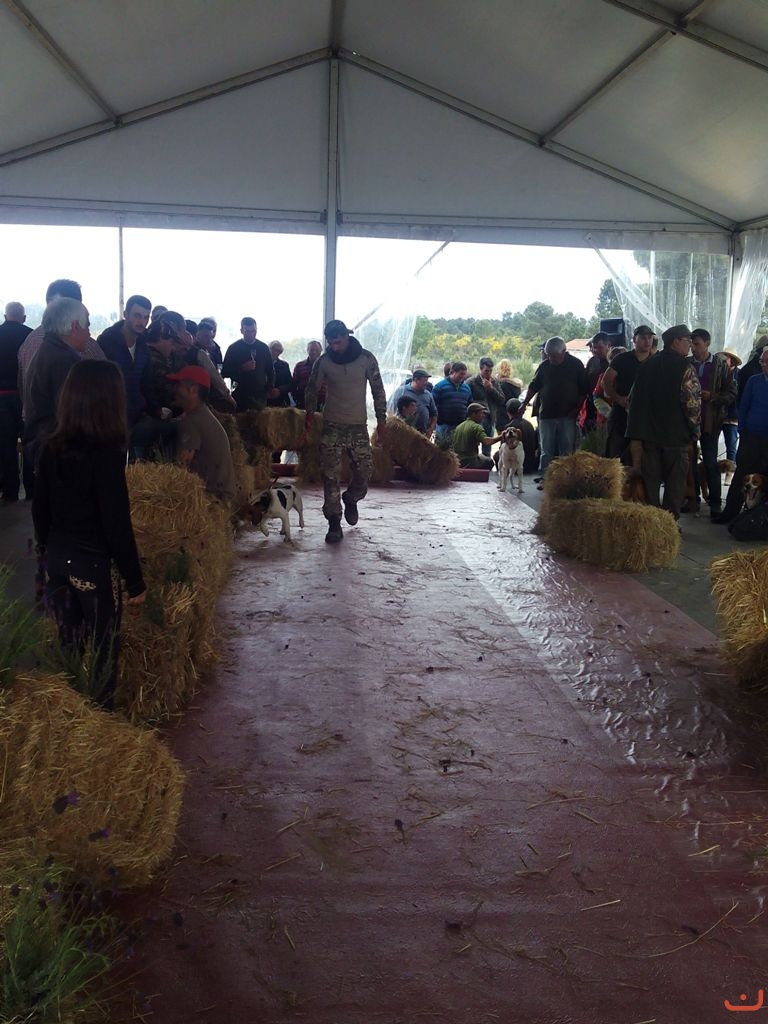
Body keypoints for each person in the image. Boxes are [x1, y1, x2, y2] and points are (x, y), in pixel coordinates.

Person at [32, 360, 146, 711]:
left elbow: (39, 508)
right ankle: (100, 722)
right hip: (92, 566)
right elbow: (116, 523)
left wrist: (46, 553)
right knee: (103, 653)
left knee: (69, 647)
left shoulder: (50, 445)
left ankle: (69, 719)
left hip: (58, 559)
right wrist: (135, 580)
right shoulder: (107, 455)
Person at [304, 319, 386, 544]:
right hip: (332, 425)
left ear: (347, 337)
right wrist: (309, 414)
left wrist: (381, 420)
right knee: (330, 474)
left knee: (365, 471)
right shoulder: (324, 361)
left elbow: (378, 390)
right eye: (331, 343)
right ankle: (333, 522)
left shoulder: (366, 359)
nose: (335, 347)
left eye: (338, 342)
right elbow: (312, 388)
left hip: (357, 425)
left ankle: (352, 498)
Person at [625, 325, 700, 522]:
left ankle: (651, 524)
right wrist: (695, 431)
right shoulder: (685, 367)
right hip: (676, 437)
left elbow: (633, 401)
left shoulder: (646, 365)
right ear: (676, 342)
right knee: (675, 484)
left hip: (649, 437)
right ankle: (669, 525)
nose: (690, 345)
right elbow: (691, 404)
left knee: (650, 482)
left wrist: (636, 434)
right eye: (688, 341)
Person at [23, 297, 92, 466]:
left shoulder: (47, 350)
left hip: (44, 443)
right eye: (87, 325)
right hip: (58, 450)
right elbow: (72, 415)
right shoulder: (64, 361)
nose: (89, 333)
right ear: (75, 326)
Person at [17, 280, 105, 412]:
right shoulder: (78, 349)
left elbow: (22, 388)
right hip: (67, 423)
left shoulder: (30, 341)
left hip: (37, 422)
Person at [518, 337, 589, 484]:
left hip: (568, 414)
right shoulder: (544, 366)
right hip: (547, 414)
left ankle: (564, 480)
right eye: (548, 355)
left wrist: (577, 408)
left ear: (564, 352)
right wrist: (524, 403)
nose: (551, 359)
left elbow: (584, 390)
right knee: (546, 449)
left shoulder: (576, 365)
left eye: (554, 356)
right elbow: (534, 386)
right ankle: (546, 478)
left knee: (566, 449)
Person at [713, 347, 768, 525]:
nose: (763, 365)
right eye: (762, 361)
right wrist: (742, 430)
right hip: (751, 436)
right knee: (741, 476)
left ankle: (761, 519)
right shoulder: (754, 381)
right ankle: (729, 513)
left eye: (766, 362)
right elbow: (743, 406)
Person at [687, 328, 736, 518]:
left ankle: (715, 503)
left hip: (710, 422)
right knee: (689, 462)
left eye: (696, 344)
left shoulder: (721, 365)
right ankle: (692, 498)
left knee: (710, 462)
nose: (693, 347)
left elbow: (731, 393)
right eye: (691, 343)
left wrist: (712, 396)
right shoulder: (686, 363)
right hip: (688, 421)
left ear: (707, 343)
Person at [170, 365, 236, 506]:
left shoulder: (191, 421)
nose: (174, 389)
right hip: (224, 495)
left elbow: (182, 468)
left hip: (213, 499)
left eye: (179, 385)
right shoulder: (202, 414)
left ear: (193, 390)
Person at [97, 295, 153, 458]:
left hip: (135, 415)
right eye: (137, 315)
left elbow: (146, 383)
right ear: (125, 314)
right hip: (109, 416)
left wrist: (155, 409)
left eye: (146, 317)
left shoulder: (144, 345)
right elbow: (98, 383)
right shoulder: (107, 341)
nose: (142, 322)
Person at [602, 326, 655, 464]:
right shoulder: (622, 359)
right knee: (613, 454)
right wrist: (618, 398)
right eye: (643, 338)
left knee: (642, 458)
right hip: (621, 414)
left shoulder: (656, 361)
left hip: (646, 417)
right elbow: (606, 381)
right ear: (634, 340)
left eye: (649, 337)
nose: (647, 341)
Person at [0, 302, 32, 502]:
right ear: (24, 318)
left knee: (5, 445)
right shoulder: (31, 336)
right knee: (29, 442)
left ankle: (10, 490)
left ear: (5, 317)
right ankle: (32, 489)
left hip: (1, 397)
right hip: (25, 396)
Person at [221, 317, 274, 411]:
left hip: (259, 396)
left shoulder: (263, 348)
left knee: (260, 419)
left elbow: (271, 370)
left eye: (253, 331)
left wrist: (269, 389)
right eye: (247, 331)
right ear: (241, 331)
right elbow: (225, 372)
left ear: (257, 330)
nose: (251, 334)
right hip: (240, 395)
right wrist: (242, 368)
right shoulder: (233, 348)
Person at [467, 358, 506, 454]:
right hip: (476, 420)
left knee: (487, 448)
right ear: (480, 369)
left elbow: (502, 400)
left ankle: (486, 461)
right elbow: (467, 400)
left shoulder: (494, 382)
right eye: (486, 371)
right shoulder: (471, 382)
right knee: (473, 446)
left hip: (491, 418)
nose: (489, 373)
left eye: (491, 371)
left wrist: (491, 389)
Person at [451, 402, 506, 469]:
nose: (483, 416)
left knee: (482, 456)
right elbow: (487, 442)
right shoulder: (476, 427)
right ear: (474, 414)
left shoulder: (459, 426)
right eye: (481, 413)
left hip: (457, 460)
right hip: (470, 461)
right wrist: (502, 436)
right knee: (489, 462)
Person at [388, 368, 437, 436]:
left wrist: (431, 429)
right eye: (425, 380)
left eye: (427, 380)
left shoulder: (428, 395)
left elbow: (434, 414)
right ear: (416, 380)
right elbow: (389, 408)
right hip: (402, 434)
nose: (426, 383)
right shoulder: (401, 391)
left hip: (421, 435)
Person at [432, 361, 471, 445]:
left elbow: (470, 405)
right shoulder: (440, 386)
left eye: (464, 374)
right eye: (461, 374)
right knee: (441, 449)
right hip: (443, 426)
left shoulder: (466, 388)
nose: (463, 376)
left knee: (458, 449)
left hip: (460, 426)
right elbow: (432, 405)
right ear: (453, 372)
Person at [503, 398, 538, 473]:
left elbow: (505, 447)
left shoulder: (509, 428)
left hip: (518, 465)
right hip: (531, 464)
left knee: (497, 455)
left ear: (507, 412)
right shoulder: (529, 424)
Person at [720, 349, 741, 468]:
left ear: (732, 360)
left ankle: (730, 472)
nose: (723, 361)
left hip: (732, 416)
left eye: (725, 358)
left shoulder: (739, 375)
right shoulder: (718, 373)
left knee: (731, 446)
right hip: (718, 415)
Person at [292, 340, 324, 409]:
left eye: (317, 350)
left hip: (323, 404)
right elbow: (293, 384)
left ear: (321, 351)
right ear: (307, 351)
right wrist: (296, 399)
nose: (314, 352)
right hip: (303, 403)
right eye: (311, 350)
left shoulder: (326, 366)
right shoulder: (299, 365)